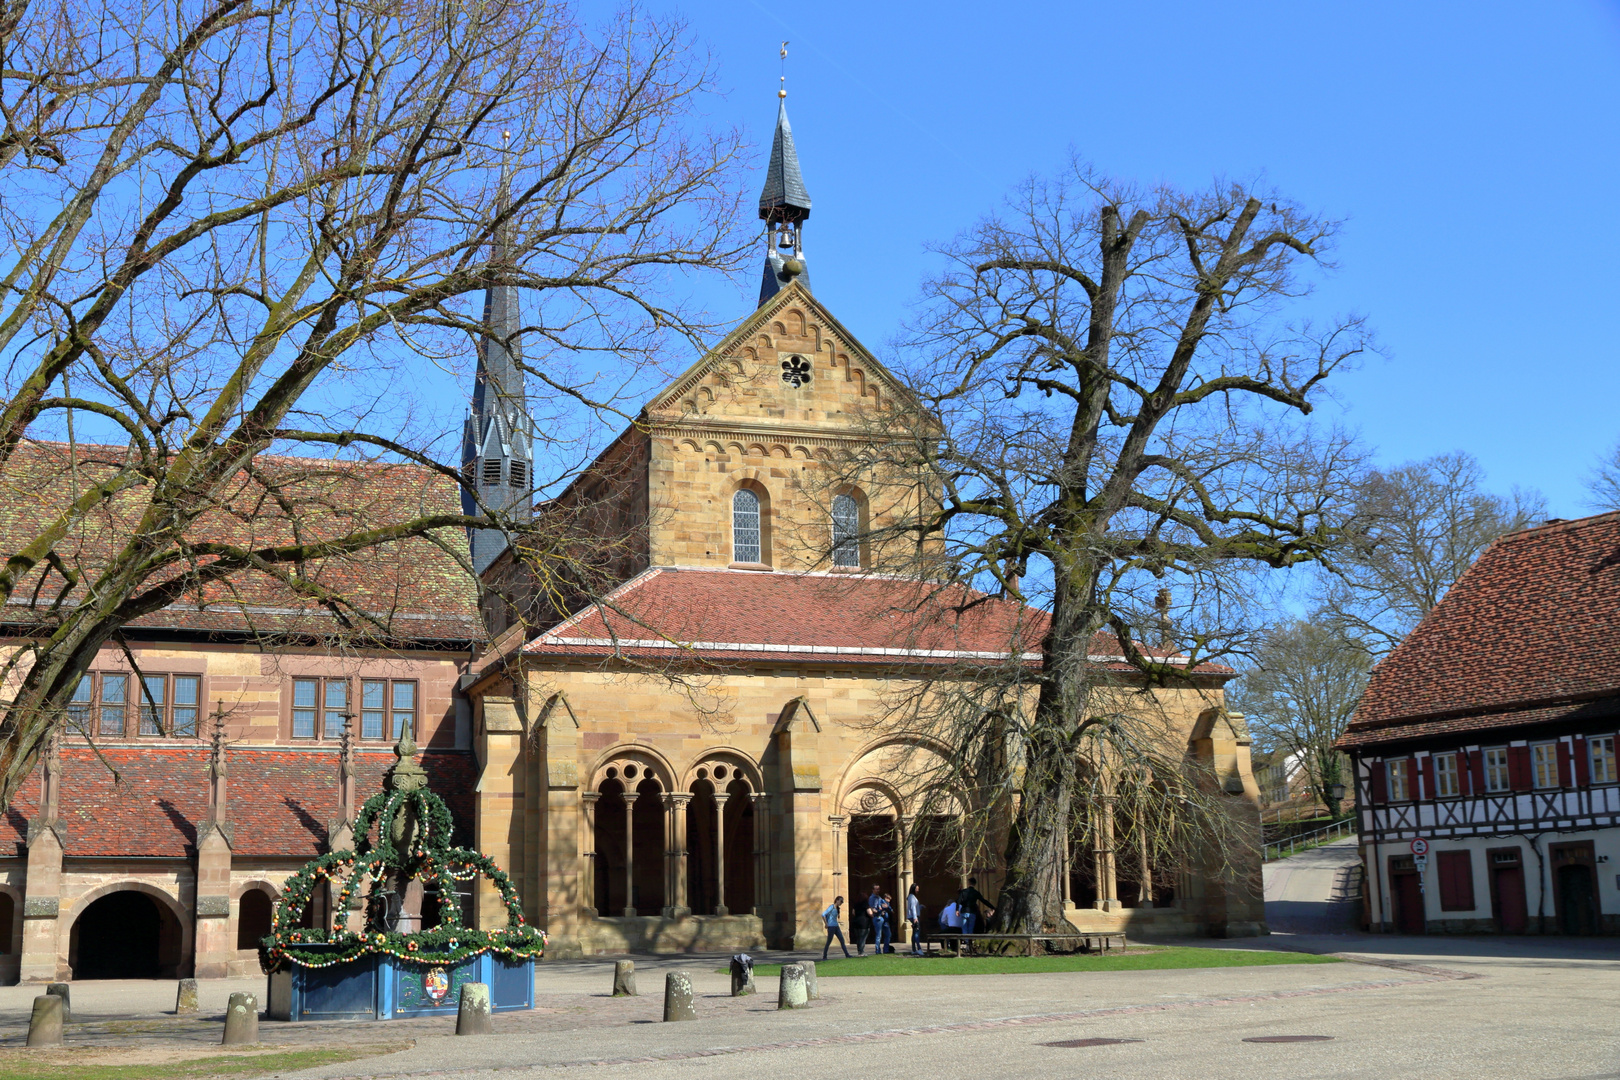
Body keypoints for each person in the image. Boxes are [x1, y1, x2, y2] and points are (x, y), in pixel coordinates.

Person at [821, 895, 851, 960]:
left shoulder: (837, 908)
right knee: (829, 941)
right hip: (831, 927)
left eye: (842, 902)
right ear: (837, 900)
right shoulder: (831, 907)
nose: (841, 903)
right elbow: (823, 914)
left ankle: (847, 954)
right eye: (841, 901)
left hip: (836, 926)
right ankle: (824, 956)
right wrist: (826, 924)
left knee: (842, 940)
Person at [854, 884, 878, 955]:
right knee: (863, 938)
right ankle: (861, 952)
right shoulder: (866, 904)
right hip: (864, 923)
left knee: (858, 938)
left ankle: (859, 950)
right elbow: (870, 913)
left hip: (856, 921)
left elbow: (853, 912)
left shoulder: (856, 904)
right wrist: (873, 913)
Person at [906, 884, 925, 955]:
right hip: (914, 917)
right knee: (917, 932)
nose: (918, 890)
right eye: (917, 888)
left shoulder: (912, 897)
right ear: (913, 889)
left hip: (914, 916)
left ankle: (914, 949)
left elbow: (915, 907)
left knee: (914, 933)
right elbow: (913, 908)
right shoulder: (912, 897)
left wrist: (920, 907)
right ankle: (919, 948)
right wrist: (915, 918)